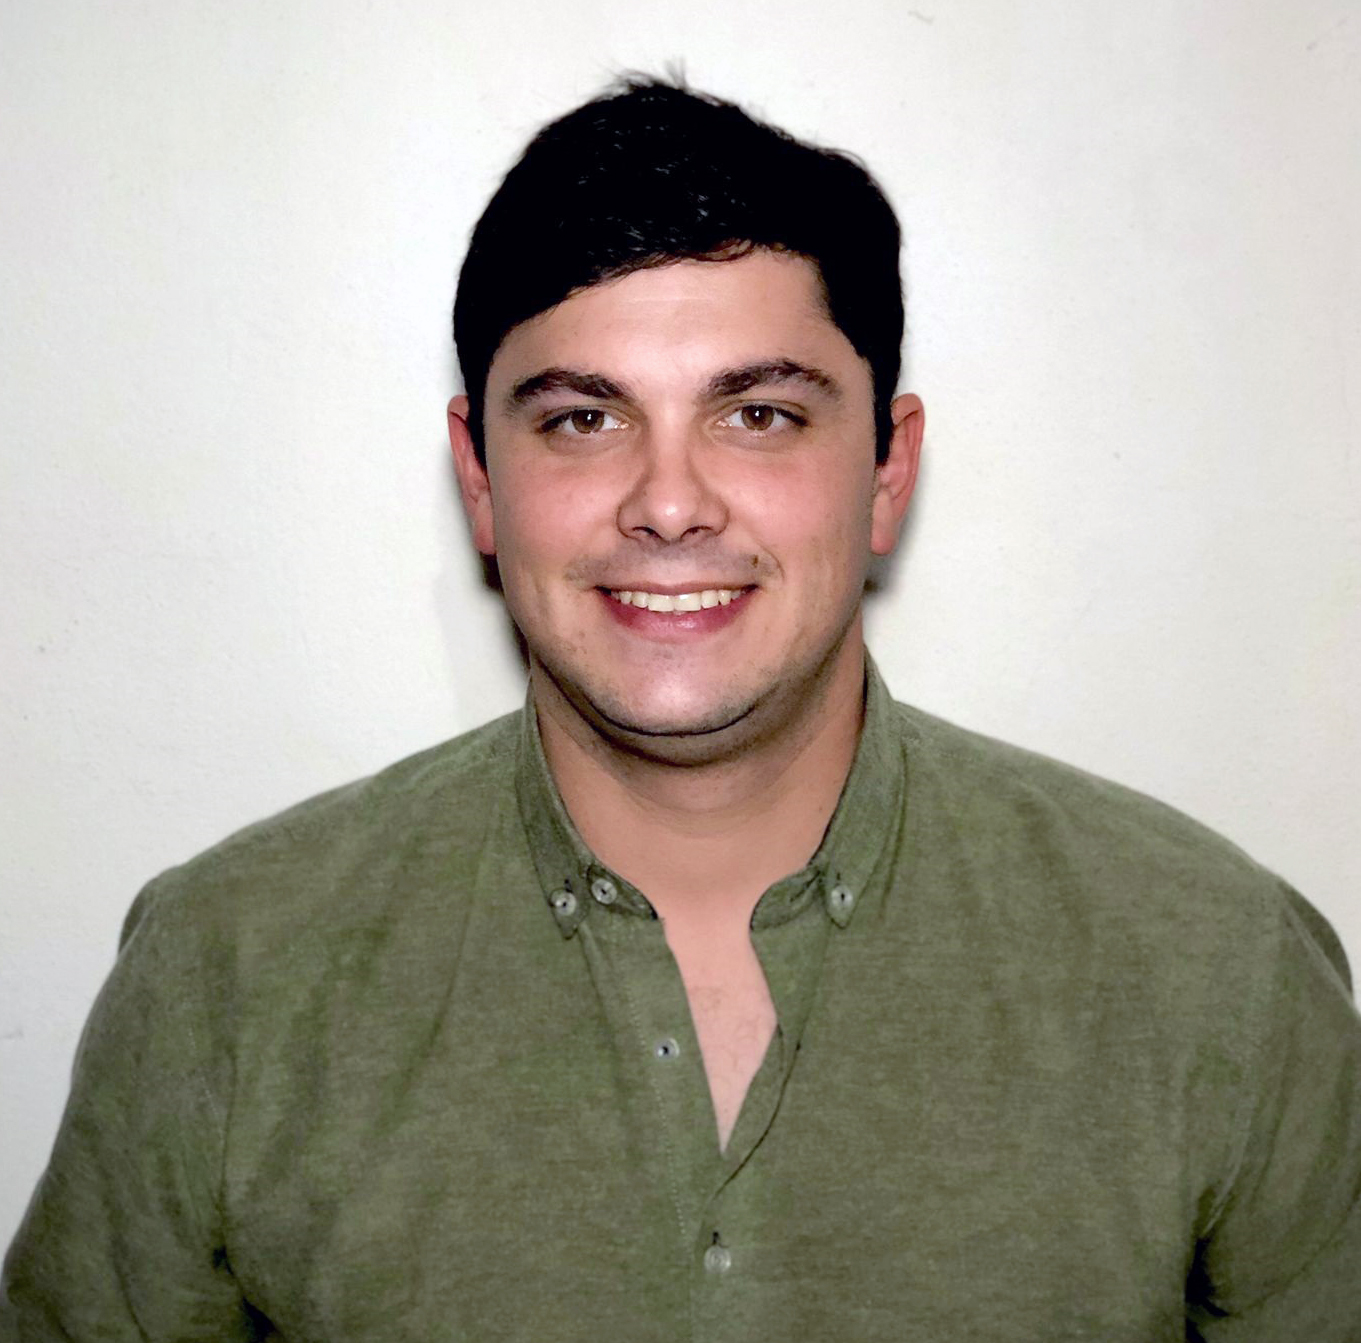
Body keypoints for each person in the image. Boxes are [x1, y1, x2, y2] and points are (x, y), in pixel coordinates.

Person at [3, 77, 1359, 1342]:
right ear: (479, 479)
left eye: (757, 415)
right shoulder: (230, 971)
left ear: (886, 471)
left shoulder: (1217, 970)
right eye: (582, 420)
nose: (667, 502)